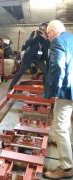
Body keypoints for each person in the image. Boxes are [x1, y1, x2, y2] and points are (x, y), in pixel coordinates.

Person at [44, 20, 73, 179]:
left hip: (66, 90)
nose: (48, 38)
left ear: (51, 32)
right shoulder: (71, 38)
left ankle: (66, 168)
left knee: (60, 126)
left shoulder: (57, 42)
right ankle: (64, 144)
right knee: (65, 121)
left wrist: (54, 90)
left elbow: (58, 67)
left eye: (48, 35)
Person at [8, 23, 49, 91]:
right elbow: (27, 43)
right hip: (29, 57)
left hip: (38, 58)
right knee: (20, 72)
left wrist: (45, 38)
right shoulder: (35, 33)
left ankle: (46, 87)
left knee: (46, 71)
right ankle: (11, 86)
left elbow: (47, 47)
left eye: (44, 29)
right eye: (41, 28)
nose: (42, 30)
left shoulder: (46, 37)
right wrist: (34, 37)